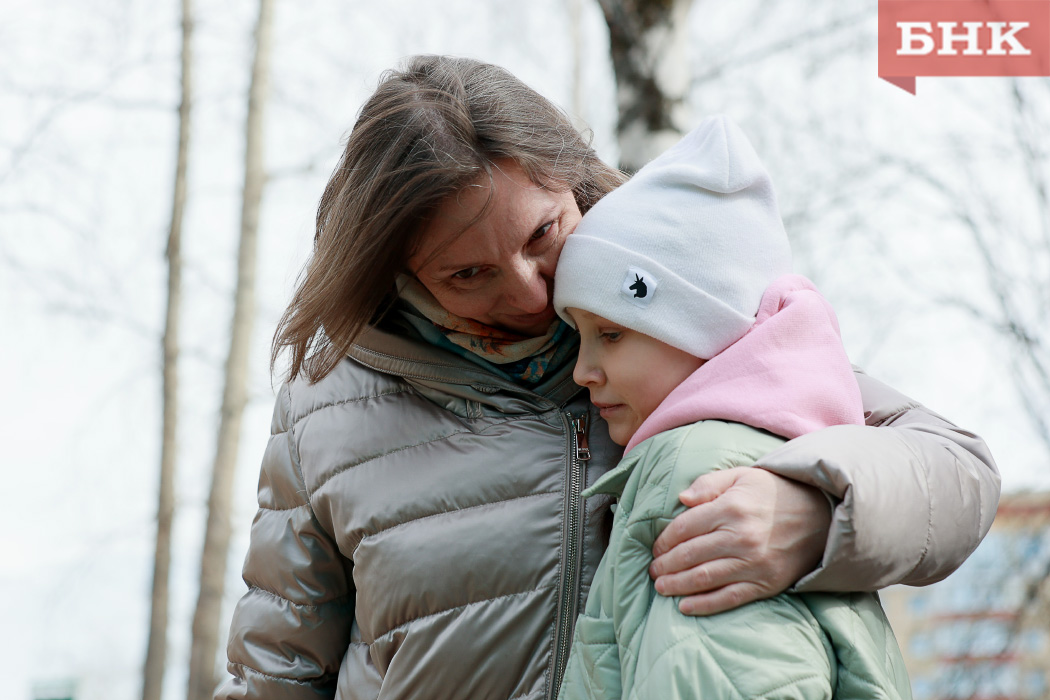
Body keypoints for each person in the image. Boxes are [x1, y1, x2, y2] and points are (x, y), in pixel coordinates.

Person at [216, 55, 998, 700]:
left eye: (543, 234)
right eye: (468, 275)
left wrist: (817, 513)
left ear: (573, 179)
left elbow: (958, 472)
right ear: (398, 271)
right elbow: (274, 674)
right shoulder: (328, 411)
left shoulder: (680, 330)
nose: (528, 291)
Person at [553, 115, 911, 699]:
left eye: (611, 335)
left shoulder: (699, 472)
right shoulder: (781, 452)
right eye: (580, 335)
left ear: (704, 331)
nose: (582, 370)